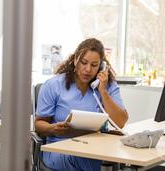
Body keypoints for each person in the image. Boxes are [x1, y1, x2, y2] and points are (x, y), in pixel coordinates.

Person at [35, 38, 128, 171]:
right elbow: (39, 124)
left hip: (94, 149)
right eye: (83, 63)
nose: (87, 69)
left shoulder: (107, 86)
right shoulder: (53, 85)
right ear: (75, 60)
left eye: (94, 65)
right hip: (59, 148)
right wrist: (53, 129)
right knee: (83, 158)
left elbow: (121, 122)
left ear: (101, 66)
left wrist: (102, 91)